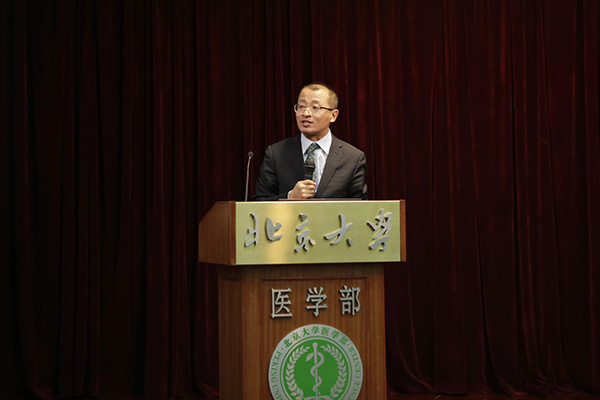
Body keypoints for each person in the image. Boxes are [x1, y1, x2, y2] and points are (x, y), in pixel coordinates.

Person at [253, 82, 368, 201]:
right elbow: (259, 202)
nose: (305, 113)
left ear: (333, 115)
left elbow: (361, 207)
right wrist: (289, 197)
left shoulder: (353, 158)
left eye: (315, 108)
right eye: (301, 106)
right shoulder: (276, 154)